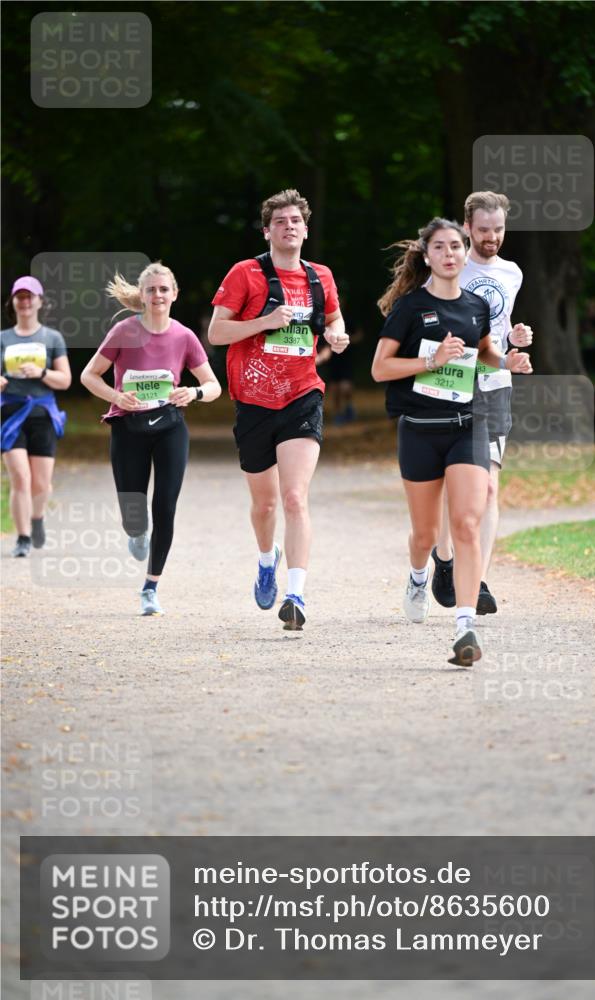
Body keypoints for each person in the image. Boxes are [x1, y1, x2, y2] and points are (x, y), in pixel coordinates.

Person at [372, 217, 532, 665]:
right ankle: (419, 576)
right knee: (425, 533)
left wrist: (508, 361)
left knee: (465, 522)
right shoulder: (408, 307)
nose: (450, 254)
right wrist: (430, 361)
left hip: (468, 423)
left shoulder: (476, 305)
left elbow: (484, 353)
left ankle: (465, 627)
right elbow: (380, 370)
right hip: (420, 429)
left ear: (465, 255)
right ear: (427, 256)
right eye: (440, 248)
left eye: (456, 247)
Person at [208, 188, 349, 631]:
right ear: (267, 230)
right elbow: (216, 333)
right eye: (281, 221)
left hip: (303, 393)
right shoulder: (245, 274)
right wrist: (264, 322)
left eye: (296, 221)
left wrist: (337, 335)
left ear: (306, 230)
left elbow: (334, 318)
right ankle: (267, 559)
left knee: (294, 497)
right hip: (253, 400)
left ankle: (297, 593)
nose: (290, 226)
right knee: (265, 505)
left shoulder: (319, 277)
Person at [81, 262, 221, 615]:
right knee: (134, 515)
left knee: (166, 507)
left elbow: (214, 385)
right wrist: (116, 397)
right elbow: (88, 375)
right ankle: (135, 531)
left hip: (170, 427)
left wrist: (194, 393)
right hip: (128, 428)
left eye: (163, 289)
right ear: (141, 296)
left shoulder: (184, 336)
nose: (157, 295)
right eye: (151, 290)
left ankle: (150, 587)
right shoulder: (124, 332)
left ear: (174, 294)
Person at [430, 191, 533, 615]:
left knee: (489, 485)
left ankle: (479, 578)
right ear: (468, 227)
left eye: (499, 230)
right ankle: (444, 558)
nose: (492, 238)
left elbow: (501, 326)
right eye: (485, 230)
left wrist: (516, 339)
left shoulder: (512, 273)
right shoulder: (451, 263)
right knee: (451, 486)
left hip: (495, 382)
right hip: (453, 381)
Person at [1, 276, 70, 557]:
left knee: (41, 483)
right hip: (10, 414)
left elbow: (65, 380)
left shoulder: (52, 338)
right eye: (20, 296)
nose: (25, 301)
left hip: (42, 412)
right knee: (20, 477)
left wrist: (41, 373)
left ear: (40, 301)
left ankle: (37, 518)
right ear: (13, 302)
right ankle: (23, 537)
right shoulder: (3, 339)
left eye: (30, 296)